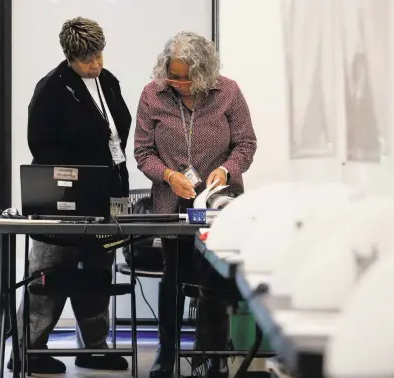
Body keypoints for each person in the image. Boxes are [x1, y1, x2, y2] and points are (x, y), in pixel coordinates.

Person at [8, 17, 131, 374]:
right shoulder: (51, 88)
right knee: (49, 270)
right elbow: (42, 146)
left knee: (98, 270)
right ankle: (29, 349)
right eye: (86, 59)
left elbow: (118, 134)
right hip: (64, 197)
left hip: (110, 190)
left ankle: (94, 346)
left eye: (98, 55)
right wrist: (74, 182)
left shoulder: (108, 82)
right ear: (69, 56)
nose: (95, 64)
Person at [134, 31, 257, 378]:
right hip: (171, 203)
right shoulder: (152, 95)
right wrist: (169, 176)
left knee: (214, 280)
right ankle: (166, 351)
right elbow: (143, 152)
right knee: (173, 277)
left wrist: (226, 170)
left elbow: (246, 144)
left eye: (188, 77)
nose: (181, 83)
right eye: (174, 75)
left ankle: (213, 355)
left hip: (218, 204)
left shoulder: (228, 92)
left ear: (205, 72)